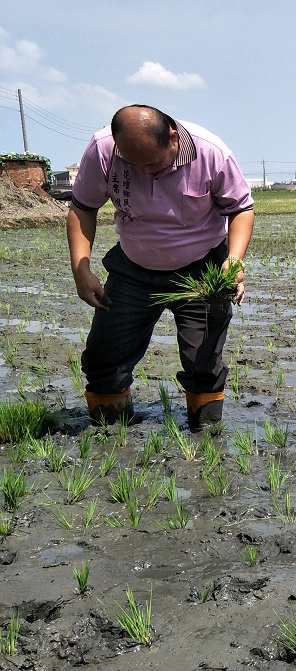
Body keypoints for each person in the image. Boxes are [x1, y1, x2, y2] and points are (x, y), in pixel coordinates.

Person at [67, 104, 254, 431]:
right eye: (133, 163)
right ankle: (110, 434)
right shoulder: (103, 150)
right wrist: (80, 269)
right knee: (103, 358)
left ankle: (206, 438)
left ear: (172, 137)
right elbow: (83, 208)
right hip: (132, 269)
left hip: (200, 269)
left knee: (203, 362)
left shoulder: (211, 153)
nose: (144, 172)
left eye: (152, 162)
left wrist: (234, 259)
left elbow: (241, 209)